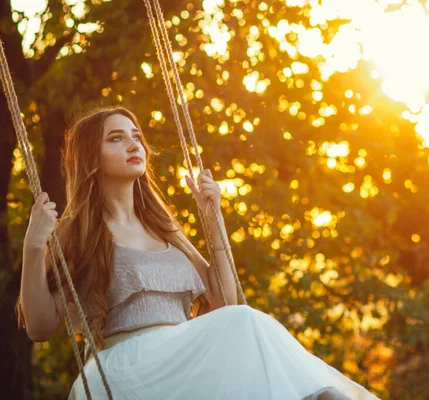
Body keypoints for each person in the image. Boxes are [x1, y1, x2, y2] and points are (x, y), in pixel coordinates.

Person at [16, 106, 380, 399]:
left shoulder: (164, 227)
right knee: (244, 321)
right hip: (131, 368)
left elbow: (226, 300)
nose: (133, 145)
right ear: (91, 159)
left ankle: (316, 396)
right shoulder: (80, 232)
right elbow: (40, 327)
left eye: (136, 137)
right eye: (116, 138)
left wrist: (213, 218)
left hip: (183, 357)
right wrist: (34, 247)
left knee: (244, 321)